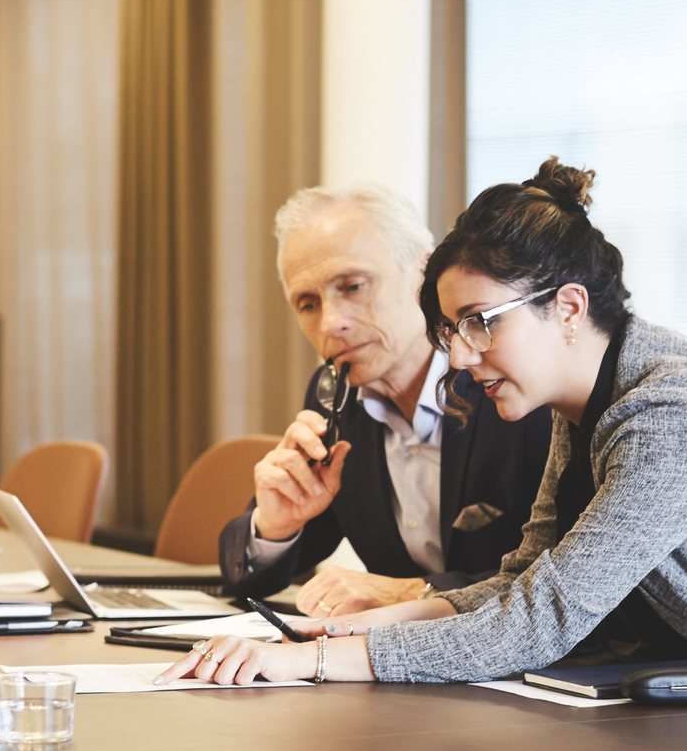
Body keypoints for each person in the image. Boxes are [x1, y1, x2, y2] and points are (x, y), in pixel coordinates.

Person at [163, 158, 687, 696]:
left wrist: (315, 666)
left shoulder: (673, 412)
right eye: (451, 331)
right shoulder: (585, 405)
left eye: (478, 325)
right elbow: (518, 582)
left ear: (566, 308)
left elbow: (545, 617)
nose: (461, 357)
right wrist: (324, 640)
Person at [218, 183, 552, 618]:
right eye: (307, 303)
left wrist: (415, 593)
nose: (331, 323)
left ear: (425, 275)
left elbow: (573, 578)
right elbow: (247, 578)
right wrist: (274, 528)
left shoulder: (513, 384)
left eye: (353, 286)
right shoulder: (333, 403)